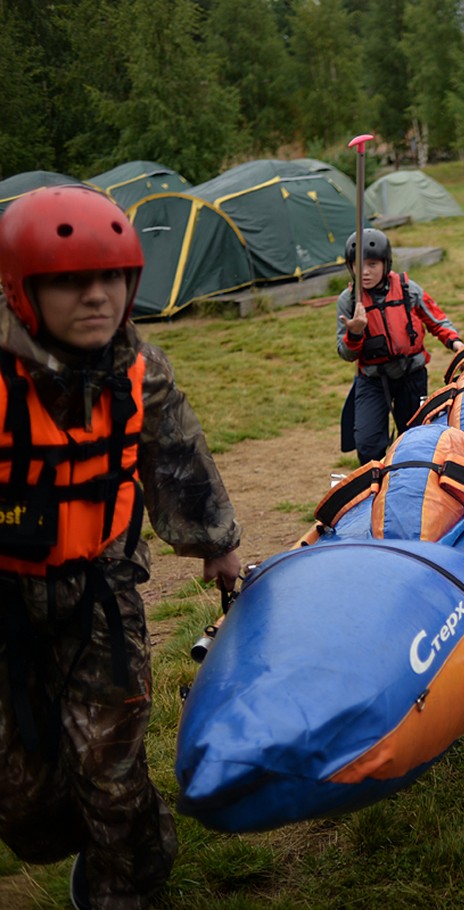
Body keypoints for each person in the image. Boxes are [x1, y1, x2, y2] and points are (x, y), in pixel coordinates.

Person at [0, 186, 242, 909]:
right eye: (70, 281)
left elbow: (179, 460)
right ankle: (78, 833)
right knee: (21, 799)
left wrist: (216, 544)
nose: (96, 296)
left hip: (99, 593)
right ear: (21, 290)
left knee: (111, 768)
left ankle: (127, 886)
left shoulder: (140, 370)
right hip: (5, 599)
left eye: (111, 277)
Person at [336, 228, 464, 464]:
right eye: (358, 265)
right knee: (368, 443)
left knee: (414, 438)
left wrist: (455, 343)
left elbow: (436, 320)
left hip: (410, 375)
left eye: (372, 264)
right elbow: (346, 354)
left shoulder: (407, 289)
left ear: (386, 263)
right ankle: (375, 481)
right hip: (373, 380)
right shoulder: (349, 301)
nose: (365, 272)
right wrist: (355, 333)